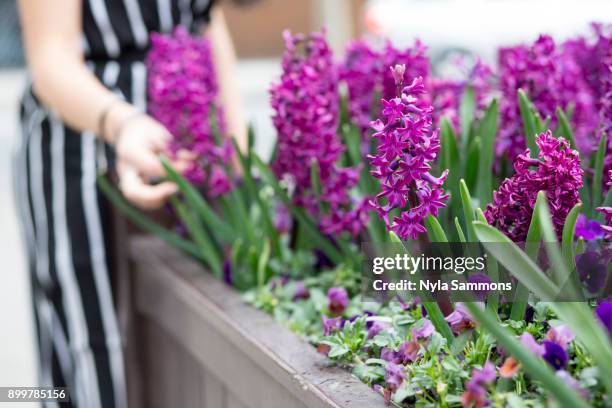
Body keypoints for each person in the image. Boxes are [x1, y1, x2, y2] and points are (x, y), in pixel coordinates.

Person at [14, 0, 245, 406]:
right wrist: (125, 124)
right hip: (87, 152)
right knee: (100, 352)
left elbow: (208, 23)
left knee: (189, 347)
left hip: (194, 155)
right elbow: (51, 59)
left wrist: (237, 156)